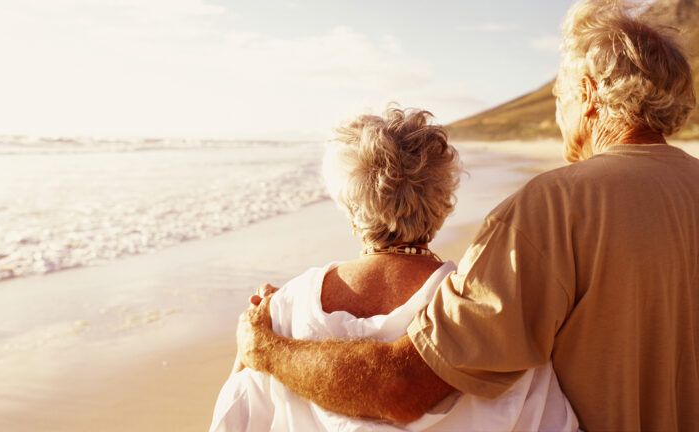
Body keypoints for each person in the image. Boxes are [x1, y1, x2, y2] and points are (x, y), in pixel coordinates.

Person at [235, 0, 699, 430]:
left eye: (559, 97)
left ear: (587, 91)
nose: (560, 113)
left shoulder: (555, 207)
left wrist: (268, 350)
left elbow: (405, 388)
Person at [211, 107, 578, 431]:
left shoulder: (279, 312)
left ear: (347, 203)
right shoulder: (484, 313)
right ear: (442, 202)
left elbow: (234, 420)